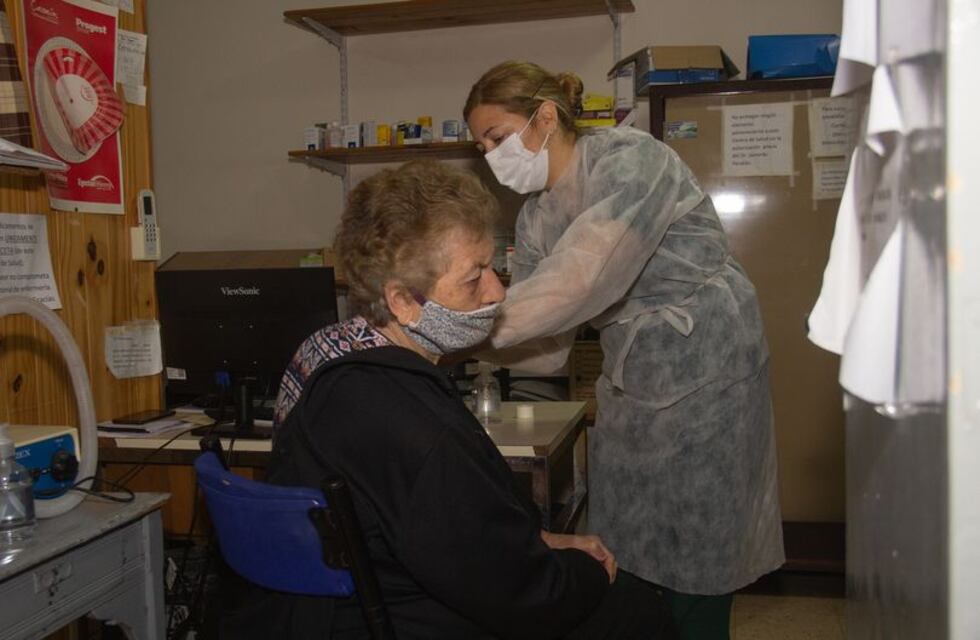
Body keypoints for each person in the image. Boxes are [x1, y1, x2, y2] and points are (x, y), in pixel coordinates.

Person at [221, 160, 675, 639]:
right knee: (636, 609)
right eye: (474, 276)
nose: (497, 290)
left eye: (493, 267)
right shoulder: (411, 422)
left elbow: (456, 531)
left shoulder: (321, 350)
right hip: (392, 615)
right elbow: (519, 593)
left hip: (339, 597)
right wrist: (586, 572)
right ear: (401, 301)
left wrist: (536, 541)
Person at [464, 61, 785, 638]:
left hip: (708, 364)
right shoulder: (536, 217)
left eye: (497, 137)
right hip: (633, 374)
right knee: (628, 537)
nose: (490, 155)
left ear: (544, 117)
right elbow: (549, 346)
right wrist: (464, 354)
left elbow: (584, 276)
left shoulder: (630, 160)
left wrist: (463, 330)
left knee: (702, 544)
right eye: (481, 145)